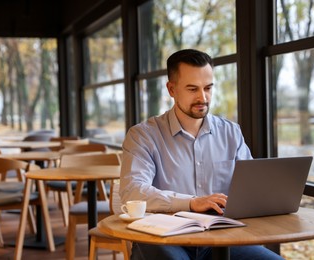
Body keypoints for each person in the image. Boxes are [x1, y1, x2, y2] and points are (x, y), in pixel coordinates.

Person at [119, 49, 284, 260]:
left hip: (222, 238)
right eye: (192, 89)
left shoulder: (231, 132)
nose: (202, 97)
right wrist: (191, 202)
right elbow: (133, 191)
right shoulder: (143, 135)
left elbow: (250, 187)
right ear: (171, 89)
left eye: (208, 88)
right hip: (163, 237)